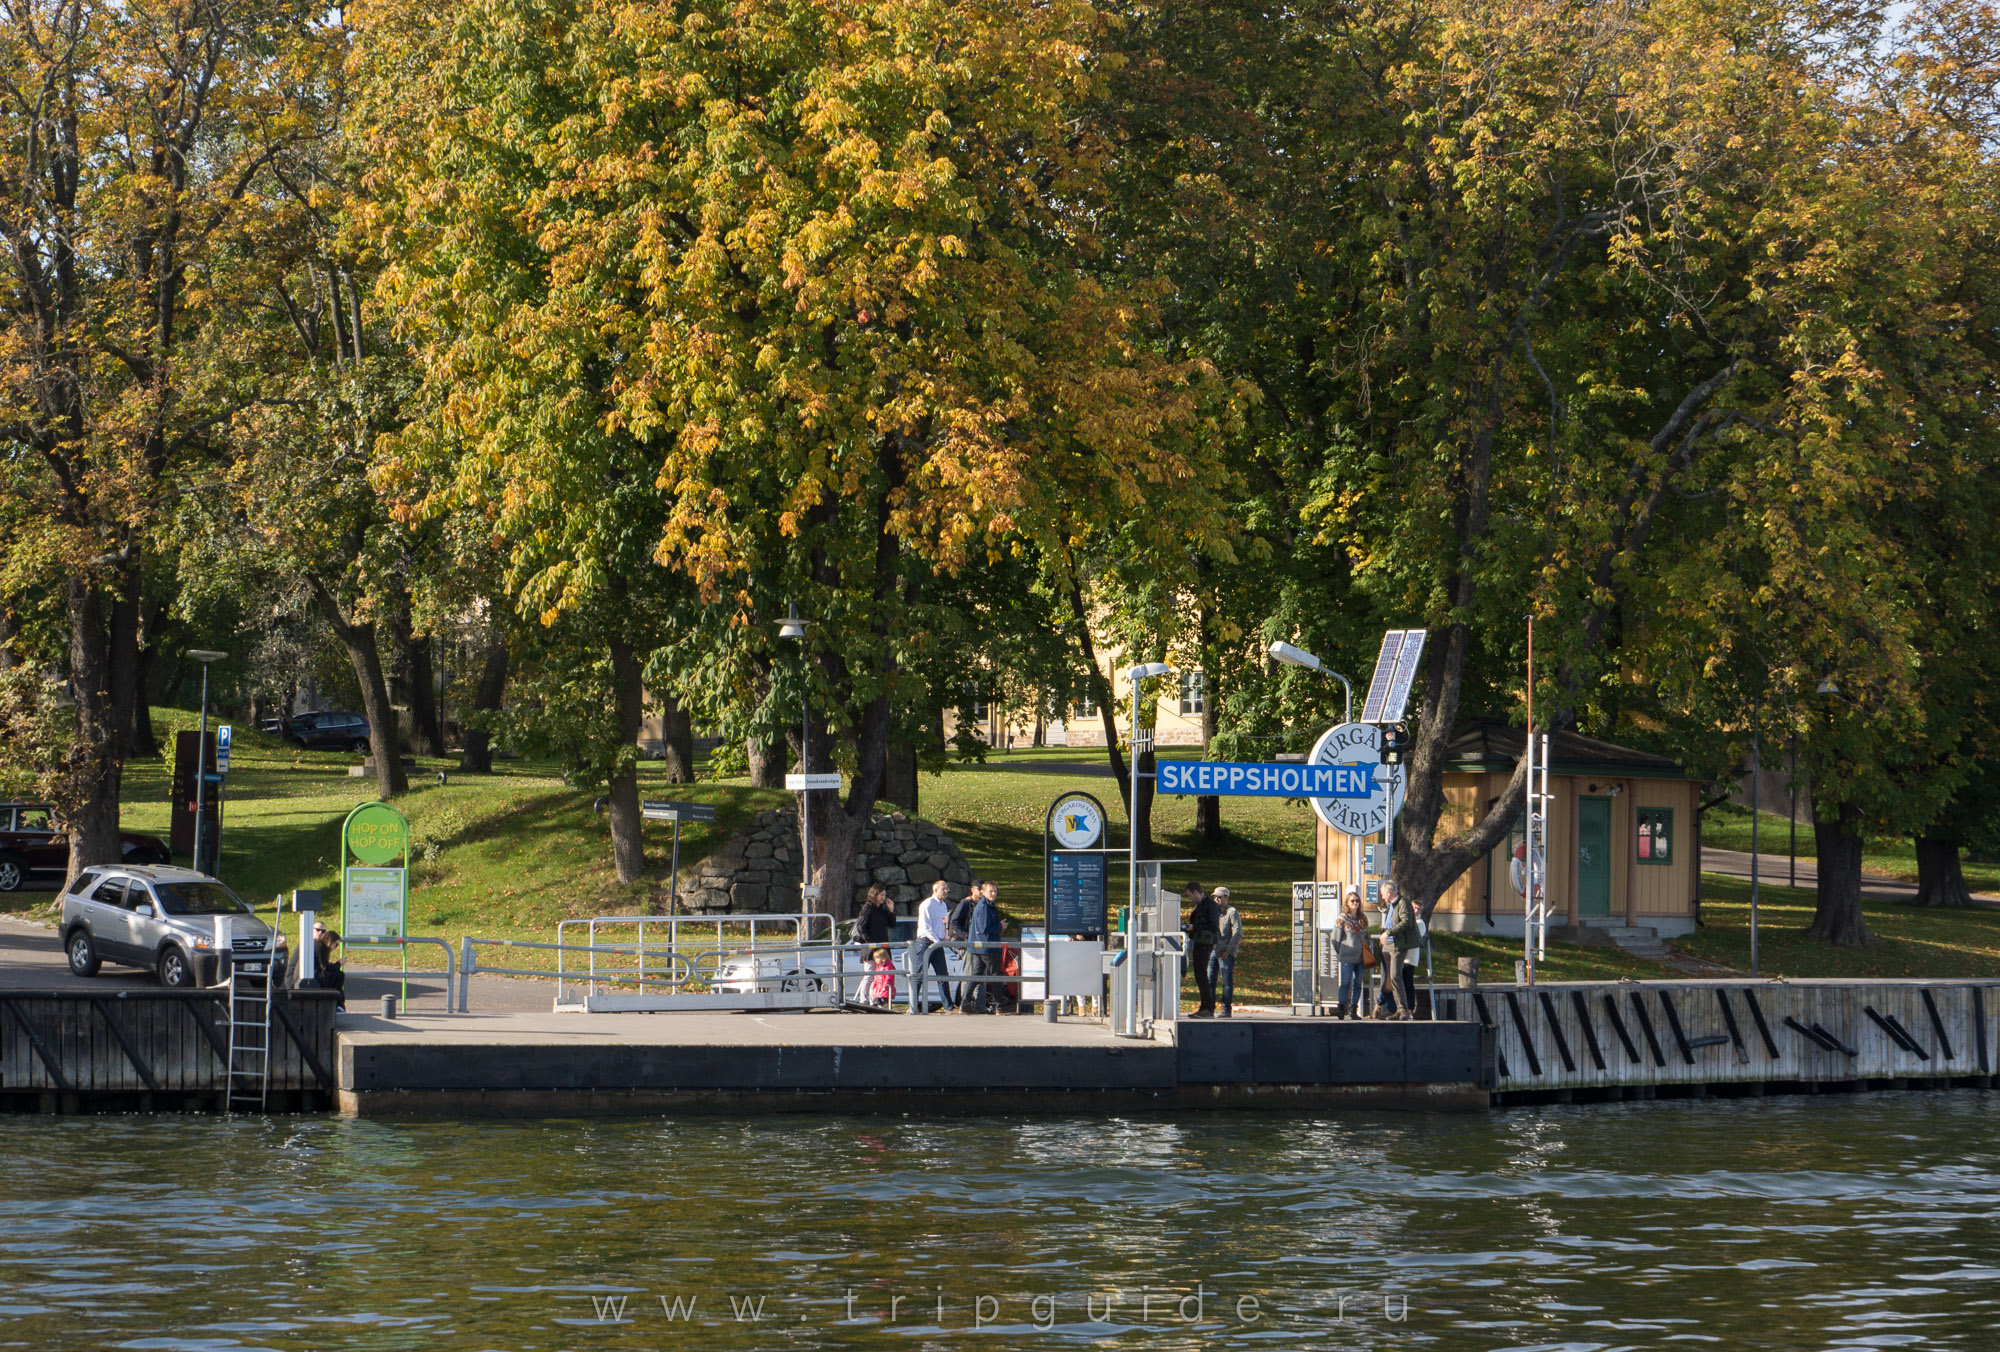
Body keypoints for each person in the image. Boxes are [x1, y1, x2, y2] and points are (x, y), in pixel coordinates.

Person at [1375, 882, 1421, 1020]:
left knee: (1395, 976)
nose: (1382, 897)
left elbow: (1406, 921)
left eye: (1383, 894)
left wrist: (1388, 932)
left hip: (1398, 944)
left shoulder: (1403, 902)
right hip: (1387, 945)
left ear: (1389, 892)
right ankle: (1398, 1009)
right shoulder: (1390, 906)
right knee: (1390, 979)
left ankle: (1404, 1010)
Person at [908, 879, 956, 1012]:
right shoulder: (927, 904)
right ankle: (912, 1007)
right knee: (919, 974)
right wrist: (937, 941)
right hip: (925, 942)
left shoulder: (943, 905)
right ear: (935, 890)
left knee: (943, 974)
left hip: (937, 942)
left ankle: (948, 1006)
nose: (946, 891)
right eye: (943, 889)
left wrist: (944, 937)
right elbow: (926, 927)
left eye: (947, 889)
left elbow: (942, 924)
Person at [1182, 882, 1220, 1018]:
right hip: (1200, 942)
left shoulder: (1210, 905)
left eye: (1190, 895)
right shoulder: (1202, 905)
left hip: (1205, 943)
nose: (1190, 899)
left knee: (1201, 975)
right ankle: (1204, 1007)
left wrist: (1194, 927)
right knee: (1200, 975)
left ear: (1196, 892)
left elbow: (1213, 925)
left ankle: (1208, 1008)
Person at [966, 883, 1004, 1013]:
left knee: (976, 976)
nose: (993, 894)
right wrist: (1000, 926)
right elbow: (984, 929)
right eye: (990, 891)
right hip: (987, 947)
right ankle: (1000, 1006)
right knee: (996, 976)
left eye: (995, 891)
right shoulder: (984, 907)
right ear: (983, 892)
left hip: (980, 947)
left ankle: (964, 1004)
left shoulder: (987, 906)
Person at [1334, 890, 1370, 1018]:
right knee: (1345, 983)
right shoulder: (1342, 918)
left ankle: (1353, 1009)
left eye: (1357, 901)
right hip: (1347, 957)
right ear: (1347, 903)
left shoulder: (1363, 918)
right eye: (1352, 901)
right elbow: (1335, 939)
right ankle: (1341, 1008)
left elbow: (1367, 937)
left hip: (1360, 957)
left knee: (1357, 983)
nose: (1355, 903)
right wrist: (1342, 952)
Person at [948, 881, 982, 1010]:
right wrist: (967, 936)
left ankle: (976, 1005)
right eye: (979, 889)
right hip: (966, 945)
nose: (981, 892)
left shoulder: (980, 905)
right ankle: (965, 1004)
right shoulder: (965, 904)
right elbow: (954, 923)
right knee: (969, 975)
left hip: (976, 944)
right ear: (972, 889)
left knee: (977, 975)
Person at [1210, 886, 1242, 1019]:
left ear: (1226, 897)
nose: (1216, 899)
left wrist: (1228, 951)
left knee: (1226, 981)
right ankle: (1208, 1008)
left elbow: (1237, 933)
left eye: (1219, 896)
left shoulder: (1232, 912)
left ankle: (1226, 1009)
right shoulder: (1212, 911)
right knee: (1209, 979)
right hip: (1212, 950)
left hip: (1225, 952)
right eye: (1215, 896)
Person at [316, 924, 346, 1010]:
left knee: (338, 975)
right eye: (336, 944)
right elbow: (325, 967)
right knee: (340, 976)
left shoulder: (321, 947)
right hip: (317, 976)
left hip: (318, 973)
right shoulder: (320, 947)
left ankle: (339, 1001)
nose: (336, 947)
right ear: (330, 941)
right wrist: (338, 963)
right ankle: (339, 1003)